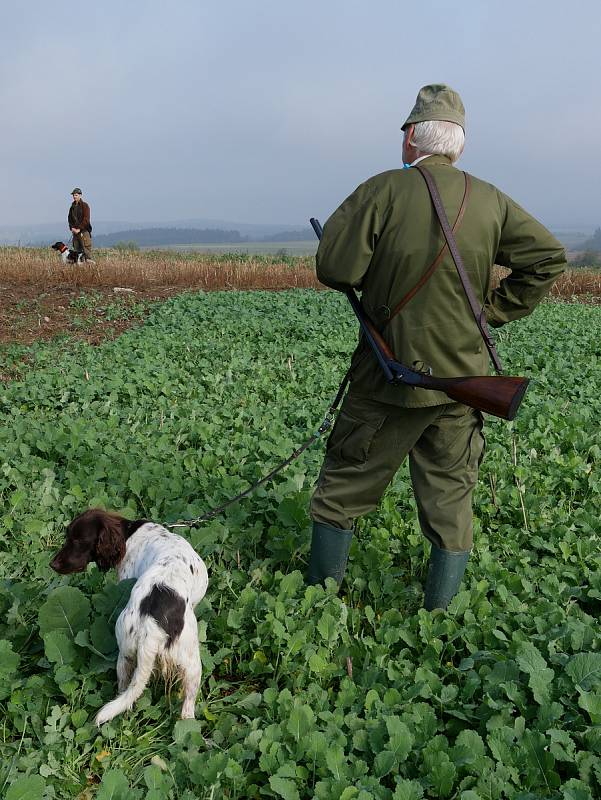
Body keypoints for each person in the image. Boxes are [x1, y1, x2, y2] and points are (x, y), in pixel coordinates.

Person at [308, 84, 566, 609]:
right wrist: (494, 310)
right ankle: (439, 619)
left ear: (410, 140)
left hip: (387, 382)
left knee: (341, 491)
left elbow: (336, 269)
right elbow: (548, 257)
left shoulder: (381, 191)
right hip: (463, 385)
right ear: (459, 145)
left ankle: (315, 606)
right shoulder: (490, 199)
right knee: (451, 502)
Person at [68, 188, 93, 261]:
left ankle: (89, 269)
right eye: (73, 195)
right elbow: (69, 219)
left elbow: (86, 219)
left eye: (76, 195)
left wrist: (79, 229)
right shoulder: (72, 207)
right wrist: (72, 228)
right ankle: (79, 271)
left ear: (80, 195)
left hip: (84, 232)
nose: (74, 197)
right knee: (76, 252)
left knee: (86, 252)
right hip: (75, 233)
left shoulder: (85, 205)